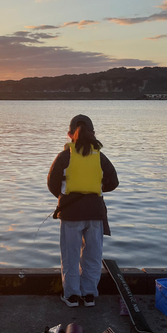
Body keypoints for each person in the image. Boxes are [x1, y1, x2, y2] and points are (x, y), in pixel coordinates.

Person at [47, 114, 118, 308]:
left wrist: (64, 198)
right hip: (96, 214)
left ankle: (71, 296)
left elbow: (52, 183)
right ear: (93, 133)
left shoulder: (64, 156)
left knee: (70, 256)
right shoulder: (100, 156)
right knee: (93, 256)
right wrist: (97, 189)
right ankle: (89, 295)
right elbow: (114, 182)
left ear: (70, 134)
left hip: (70, 214)